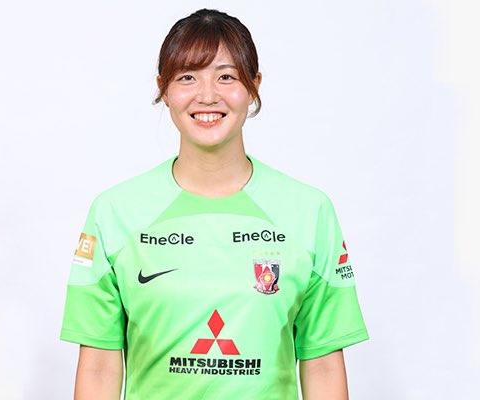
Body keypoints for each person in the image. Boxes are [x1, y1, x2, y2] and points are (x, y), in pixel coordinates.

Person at [60, 8, 368, 400]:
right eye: (187, 77)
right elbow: (99, 366)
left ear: (253, 86)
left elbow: (322, 364)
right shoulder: (115, 212)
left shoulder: (309, 212)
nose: (207, 96)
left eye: (227, 76)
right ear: (164, 89)